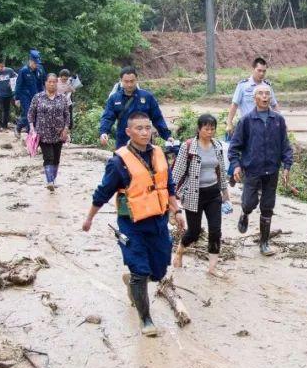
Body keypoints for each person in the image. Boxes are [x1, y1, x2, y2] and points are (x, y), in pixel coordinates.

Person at [82, 111, 186, 336]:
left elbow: (167, 186)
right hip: (132, 224)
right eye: (139, 128)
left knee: (158, 271)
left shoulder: (159, 153)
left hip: (158, 221)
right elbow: (103, 193)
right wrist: (90, 218)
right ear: (128, 131)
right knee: (140, 269)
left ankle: (133, 283)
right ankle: (146, 318)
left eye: (148, 128)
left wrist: (177, 211)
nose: (144, 132)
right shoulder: (119, 162)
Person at [228, 84, 293, 256]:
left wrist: (287, 165)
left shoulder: (278, 120)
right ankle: (245, 213)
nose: (265, 96)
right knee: (249, 202)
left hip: (272, 170)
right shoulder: (246, 121)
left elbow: (285, 145)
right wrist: (236, 165)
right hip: (253, 169)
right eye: (261, 93)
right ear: (254, 98)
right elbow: (234, 147)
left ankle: (264, 243)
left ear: (270, 97)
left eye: (267, 94)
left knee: (267, 206)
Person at [171, 114, 232, 278]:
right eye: (206, 129)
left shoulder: (217, 146)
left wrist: (225, 195)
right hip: (193, 195)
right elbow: (176, 173)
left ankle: (212, 268)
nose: (210, 132)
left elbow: (221, 171)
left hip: (213, 194)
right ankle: (180, 250)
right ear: (199, 129)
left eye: (212, 129)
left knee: (215, 231)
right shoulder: (188, 146)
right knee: (194, 231)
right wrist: (170, 200)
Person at [98, 66, 172, 149]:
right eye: (126, 81)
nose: (129, 84)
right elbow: (108, 118)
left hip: (144, 142)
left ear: (136, 79)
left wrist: (167, 136)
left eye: (132, 81)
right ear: (121, 81)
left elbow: (157, 118)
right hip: (123, 142)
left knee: (144, 162)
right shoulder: (114, 98)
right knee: (121, 161)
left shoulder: (147, 97)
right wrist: (103, 132)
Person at [28, 73, 71, 191]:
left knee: (56, 158)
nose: (52, 84)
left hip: (59, 133)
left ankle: (53, 178)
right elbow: (31, 114)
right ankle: (49, 181)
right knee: (49, 157)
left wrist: (66, 129)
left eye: (54, 82)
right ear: (45, 83)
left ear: (57, 83)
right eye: (49, 82)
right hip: (43, 133)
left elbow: (67, 115)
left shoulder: (62, 98)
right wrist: (32, 128)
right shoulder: (38, 97)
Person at [226, 57, 278, 134]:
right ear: (253, 69)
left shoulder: (267, 87)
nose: (262, 74)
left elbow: (274, 105)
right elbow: (234, 105)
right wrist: (229, 123)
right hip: (247, 126)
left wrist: (278, 122)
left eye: (264, 71)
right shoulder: (243, 85)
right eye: (259, 70)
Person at [14, 50, 45, 137]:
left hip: (36, 96)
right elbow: (18, 85)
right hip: (25, 96)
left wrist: (43, 95)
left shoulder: (40, 70)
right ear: (30, 61)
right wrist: (17, 98)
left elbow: (42, 84)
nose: (36, 65)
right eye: (35, 63)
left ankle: (28, 132)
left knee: (35, 114)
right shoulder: (24, 71)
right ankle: (20, 127)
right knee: (29, 113)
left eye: (37, 63)